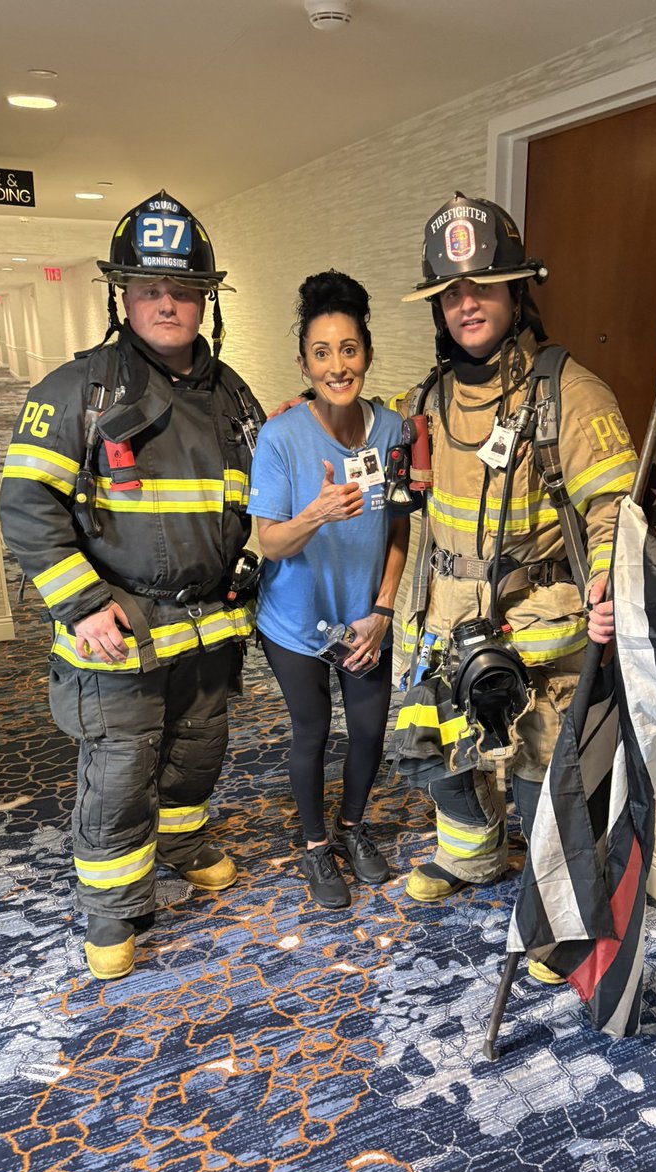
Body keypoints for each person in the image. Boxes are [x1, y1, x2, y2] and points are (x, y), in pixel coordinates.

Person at [0, 191, 264, 981]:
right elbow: (25, 506)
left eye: (184, 289)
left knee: (197, 753)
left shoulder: (232, 394)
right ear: (122, 297)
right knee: (120, 771)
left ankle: (182, 842)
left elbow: (262, 490)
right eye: (150, 288)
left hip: (207, 626)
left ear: (206, 299)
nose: (168, 303)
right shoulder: (74, 392)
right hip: (116, 628)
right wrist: (82, 606)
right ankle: (113, 908)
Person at [390, 193, 637, 929]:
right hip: (442, 622)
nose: (466, 304)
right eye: (450, 293)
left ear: (518, 291)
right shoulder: (426, 399)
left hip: (537, 626)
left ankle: (558, 920)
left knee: (544, 780)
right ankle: (471, 858)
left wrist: (606, 577)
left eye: (483, 286)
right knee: (448, 762)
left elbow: (614, 513)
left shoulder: (573, 394)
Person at [248, 270, 410, 909]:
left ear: (366, 354)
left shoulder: (392, 431)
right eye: (322, 353)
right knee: (311, 732)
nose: (337, 366)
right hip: (294, 620)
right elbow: (269, 543)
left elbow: (399, 528)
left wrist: (383, 609)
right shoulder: (281, 437)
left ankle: (352, 828)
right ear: (304, 364)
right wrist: (315, 513)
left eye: (348, 349)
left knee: (369, 731)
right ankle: (316, 846)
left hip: (363, 619)